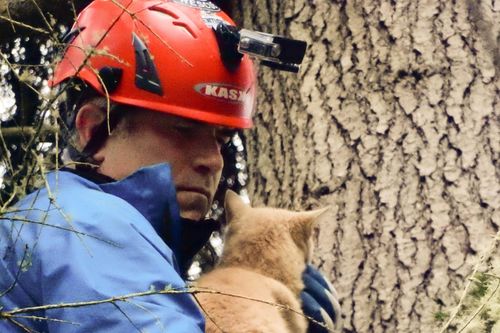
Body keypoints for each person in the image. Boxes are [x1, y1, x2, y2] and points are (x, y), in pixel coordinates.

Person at [0, 0, 340, 332]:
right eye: (182, 129)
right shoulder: (83, 223)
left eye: (221, 139)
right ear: (93, 128)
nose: (213, 161)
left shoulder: (61, 226)